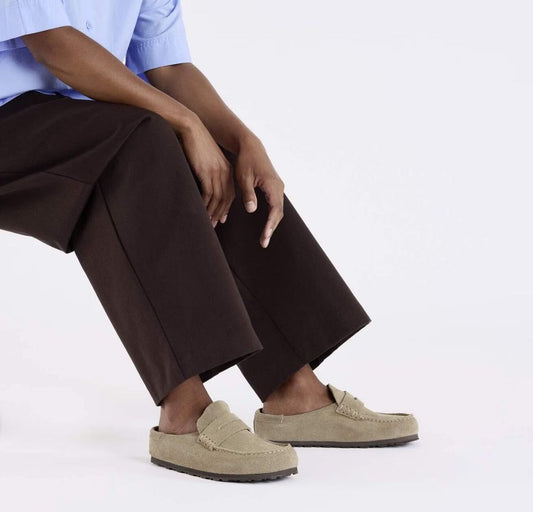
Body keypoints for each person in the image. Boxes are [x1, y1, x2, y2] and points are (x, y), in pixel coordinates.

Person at [0, 0, 419, 482]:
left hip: (81, 117)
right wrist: (185, 122)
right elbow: (54, 44)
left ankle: (295, 394)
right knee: (142, 142)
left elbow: (169, 67)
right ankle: (184, 412)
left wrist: (241, 141)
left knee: (215, 161)